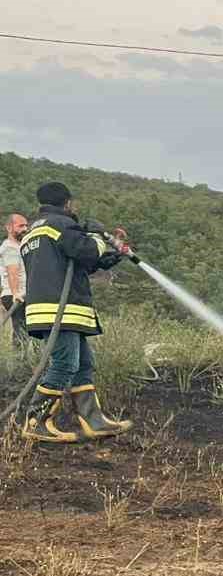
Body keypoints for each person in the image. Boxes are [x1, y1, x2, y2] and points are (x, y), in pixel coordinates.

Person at [17, 181, 133, 443]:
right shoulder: (59, 224)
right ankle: (35, 421)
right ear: (67, 202)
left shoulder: (33, 232)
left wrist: (113, 255)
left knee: (83, 364)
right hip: (61, 308)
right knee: (65, 364)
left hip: (47, 309)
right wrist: (95, 235)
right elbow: (88, 250)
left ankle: (94, 421)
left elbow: (79, 262)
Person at [1, 212, 26, 350]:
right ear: (9, 228)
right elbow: (12, 272)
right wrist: (16, 293)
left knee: (24, 329)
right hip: (15, 295)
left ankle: (25, 360)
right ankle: (20, 363)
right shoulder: (10, 247)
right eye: (20, 226)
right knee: (21, 330)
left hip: (21, 294)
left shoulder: (20, 246)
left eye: (26, 225)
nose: (24, 229)